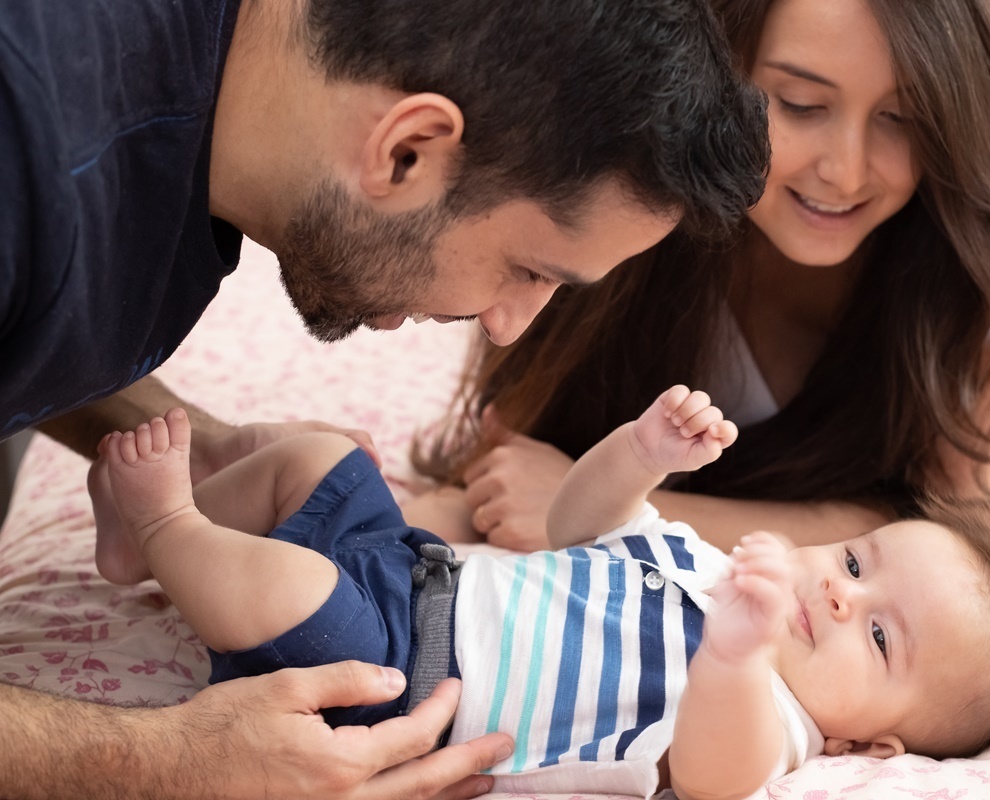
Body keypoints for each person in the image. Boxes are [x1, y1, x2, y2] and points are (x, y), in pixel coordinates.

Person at [0, 0, 771, 794]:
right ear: (406, 151)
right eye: (531, 270)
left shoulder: (198, 120)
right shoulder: (29, 147)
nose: (507, 327)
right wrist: (166, 760)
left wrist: (199, 445)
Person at [411, 0, 990, 553]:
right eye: (799, 104)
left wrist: (627, 504)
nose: (846, 171)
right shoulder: (634, 202)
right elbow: (498, 464)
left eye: (901, 117)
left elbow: (956, 517)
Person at [87, 387, 990, 799]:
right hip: (421, 564)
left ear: (871, 743)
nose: (844, 599)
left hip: (400, 677)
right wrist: (642, 455)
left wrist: (734, 650)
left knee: (284, 588)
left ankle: (173, 526)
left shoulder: (771, 721)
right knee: (321, 457)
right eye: (856, 564)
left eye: (884, 640)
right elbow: (578, 527)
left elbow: (718, 767)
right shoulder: (710, 572)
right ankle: (141, 544)